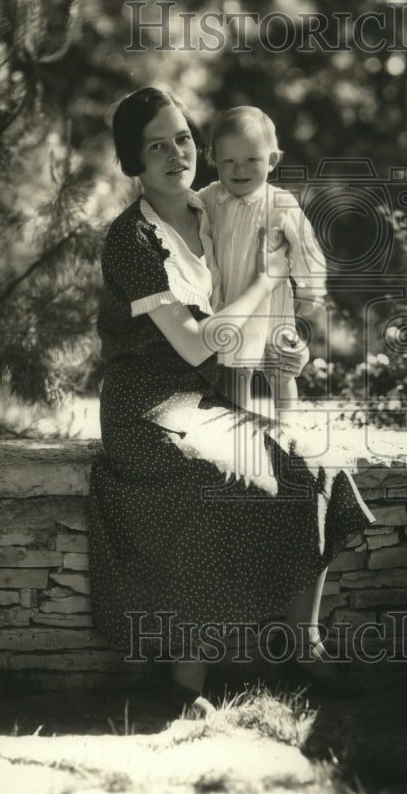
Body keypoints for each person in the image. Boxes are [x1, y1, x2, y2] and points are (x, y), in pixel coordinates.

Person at [88, 86, 373, 715]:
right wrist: (272, 278)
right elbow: (193, 346)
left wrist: (290, 345)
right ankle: (186, 683)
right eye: (155, 145)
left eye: (183, 137)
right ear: (132, 161)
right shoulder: (133, 240)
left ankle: (306, 645)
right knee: (211, 476)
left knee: (313, 464)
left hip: (213, 394)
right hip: (148, 404)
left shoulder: (219, 207)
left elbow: (275, 303)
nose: (175, 153)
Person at [198, 106, 326, 413]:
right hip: (232, 300)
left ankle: (287, 423)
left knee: (279, 365)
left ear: (271, 161)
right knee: (237, 368)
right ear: (214, 161)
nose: (239, 169)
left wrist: (311, 290)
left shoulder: (281, 203)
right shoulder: (210, 199)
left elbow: (305, 246)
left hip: (273, 305)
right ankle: (240, 422)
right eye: (228, 161)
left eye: (251, 160)